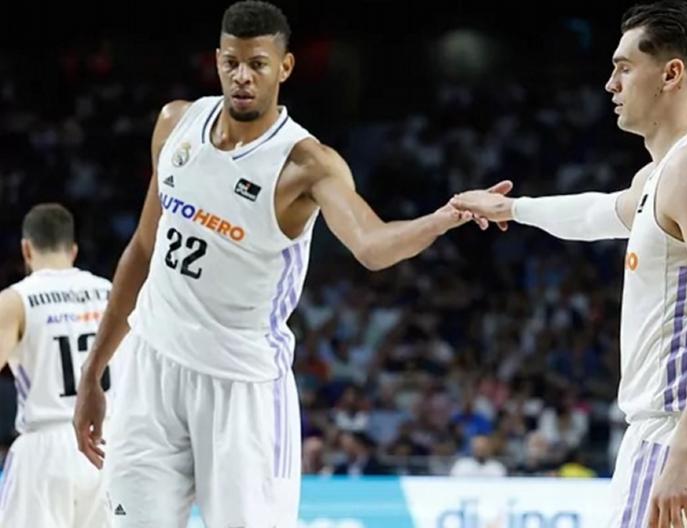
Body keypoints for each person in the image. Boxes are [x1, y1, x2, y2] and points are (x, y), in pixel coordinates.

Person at [72, 1, 503, 526]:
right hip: (151, 368)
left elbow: (372, 246)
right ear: (217, 60)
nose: (242, 76)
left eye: (257, 64)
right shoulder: (175, 124)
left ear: (285, 67)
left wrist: (443, 217)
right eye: (232, 62)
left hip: (240, 388)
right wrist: (94, 370)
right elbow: (143, 249)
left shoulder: (306, 164)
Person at [451, 2, 687, 526]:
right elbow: (598, 212)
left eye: (624, 67)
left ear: (671, 74)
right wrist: (512, 209)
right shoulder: (667, 174)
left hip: (683, 434)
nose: (610, 84)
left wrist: (684, 452)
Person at [0, 204, 113, 527]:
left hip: (45, 449)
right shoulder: (111, 292)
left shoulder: (16, 299)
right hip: (108, 443)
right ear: (73, 250)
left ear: (26, 249)